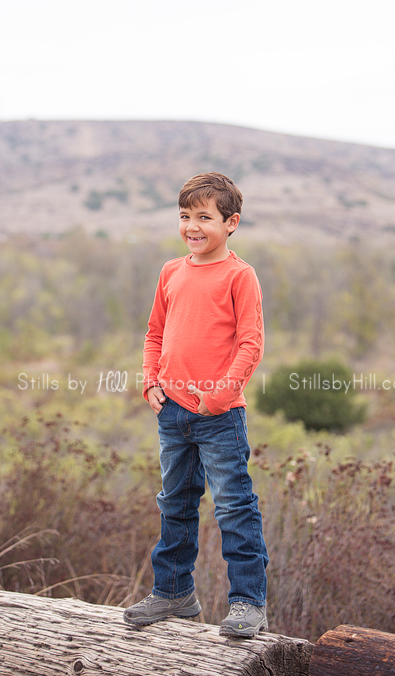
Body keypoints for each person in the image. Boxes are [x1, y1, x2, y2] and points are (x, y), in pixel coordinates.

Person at [123, 172, 269, 637]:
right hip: (172, 413)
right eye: (185, 216)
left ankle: (248, 603)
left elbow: (251, 343)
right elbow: (154, 334)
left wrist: (220, 395)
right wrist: (151, 384)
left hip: (220, 415)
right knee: (175, 503)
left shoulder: (239, 276)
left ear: (231, 223)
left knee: (233, 507)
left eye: (204, 217)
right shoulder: (171, 271)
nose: (192, 226)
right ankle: (172, 592)